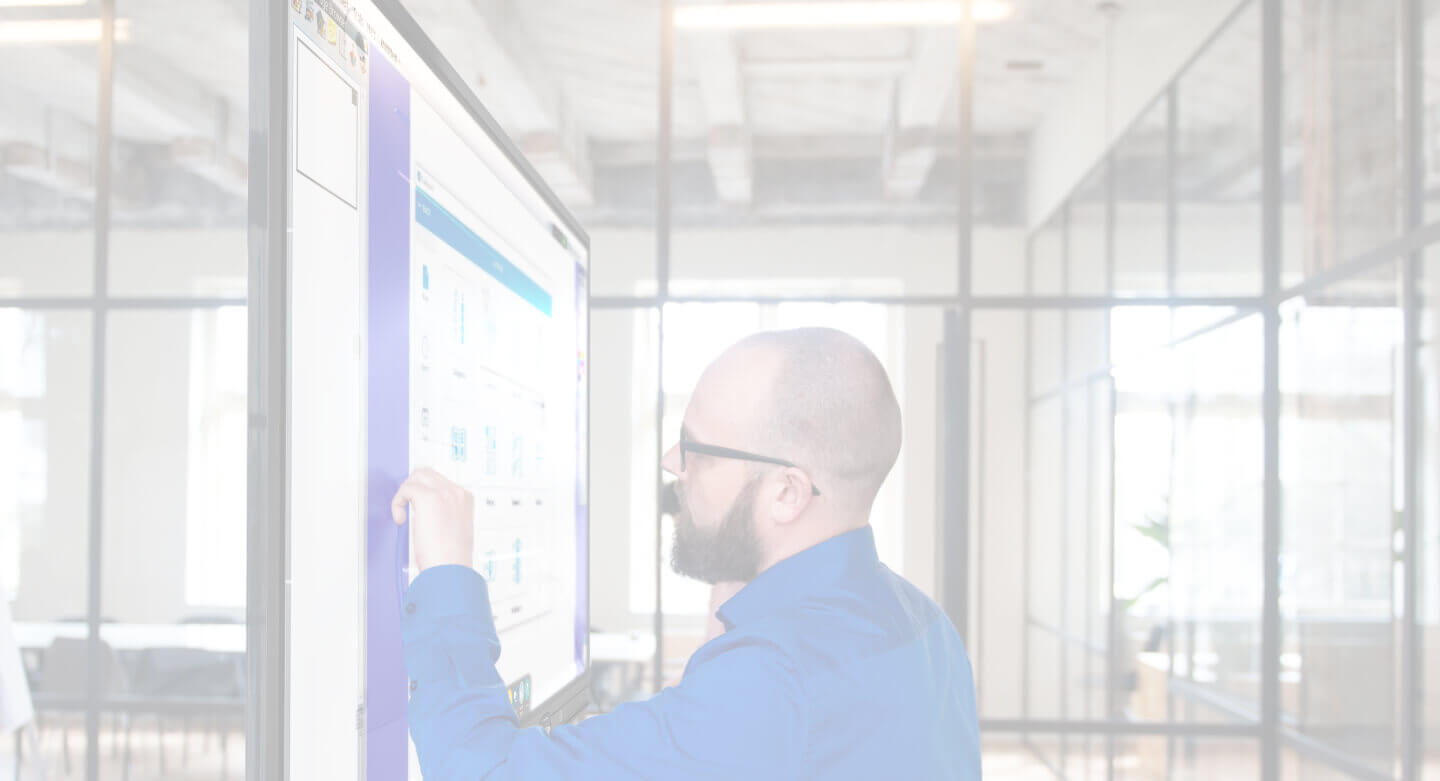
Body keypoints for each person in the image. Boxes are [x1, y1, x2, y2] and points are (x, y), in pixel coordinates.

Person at [393, 327, 981, 779]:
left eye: (700, 447)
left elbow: (483, 770)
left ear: (787, 493)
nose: (673, 461)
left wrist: (448, 573)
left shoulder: (770, 680)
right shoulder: (928, 627)